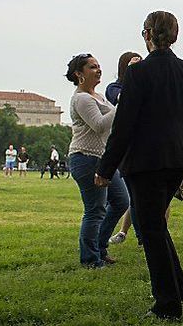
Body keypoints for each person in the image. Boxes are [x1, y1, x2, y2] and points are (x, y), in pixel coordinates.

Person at [96, 11, 183, 320]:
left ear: (146, 35)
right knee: (155, 223)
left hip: (145, 162)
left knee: (150, 228)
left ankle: (167, 303)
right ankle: (178, 286)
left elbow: (125, 126)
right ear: (175, 36)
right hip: (177, 159)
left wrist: (105, 168)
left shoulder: (138, 74)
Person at [65, 53, 130, 268]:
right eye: (92, 67)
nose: (98, 70)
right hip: (85, 158)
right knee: (95, 209)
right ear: (79, 74)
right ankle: (90, 259)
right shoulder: (81, 98)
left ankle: (100, 247)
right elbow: (100, 125)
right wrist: (123, 104)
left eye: (99, 66)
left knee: (121, 201)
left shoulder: (99, 96)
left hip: (103, 159)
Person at [106, 51, 142, 244]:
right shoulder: (113, 88)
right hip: (123, 148)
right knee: (126, 197)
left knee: (137, 197)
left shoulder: (145, 87)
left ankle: (140, 236)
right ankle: (114, 235)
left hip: (141, 146)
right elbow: (123, 99)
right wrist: (131, 74)